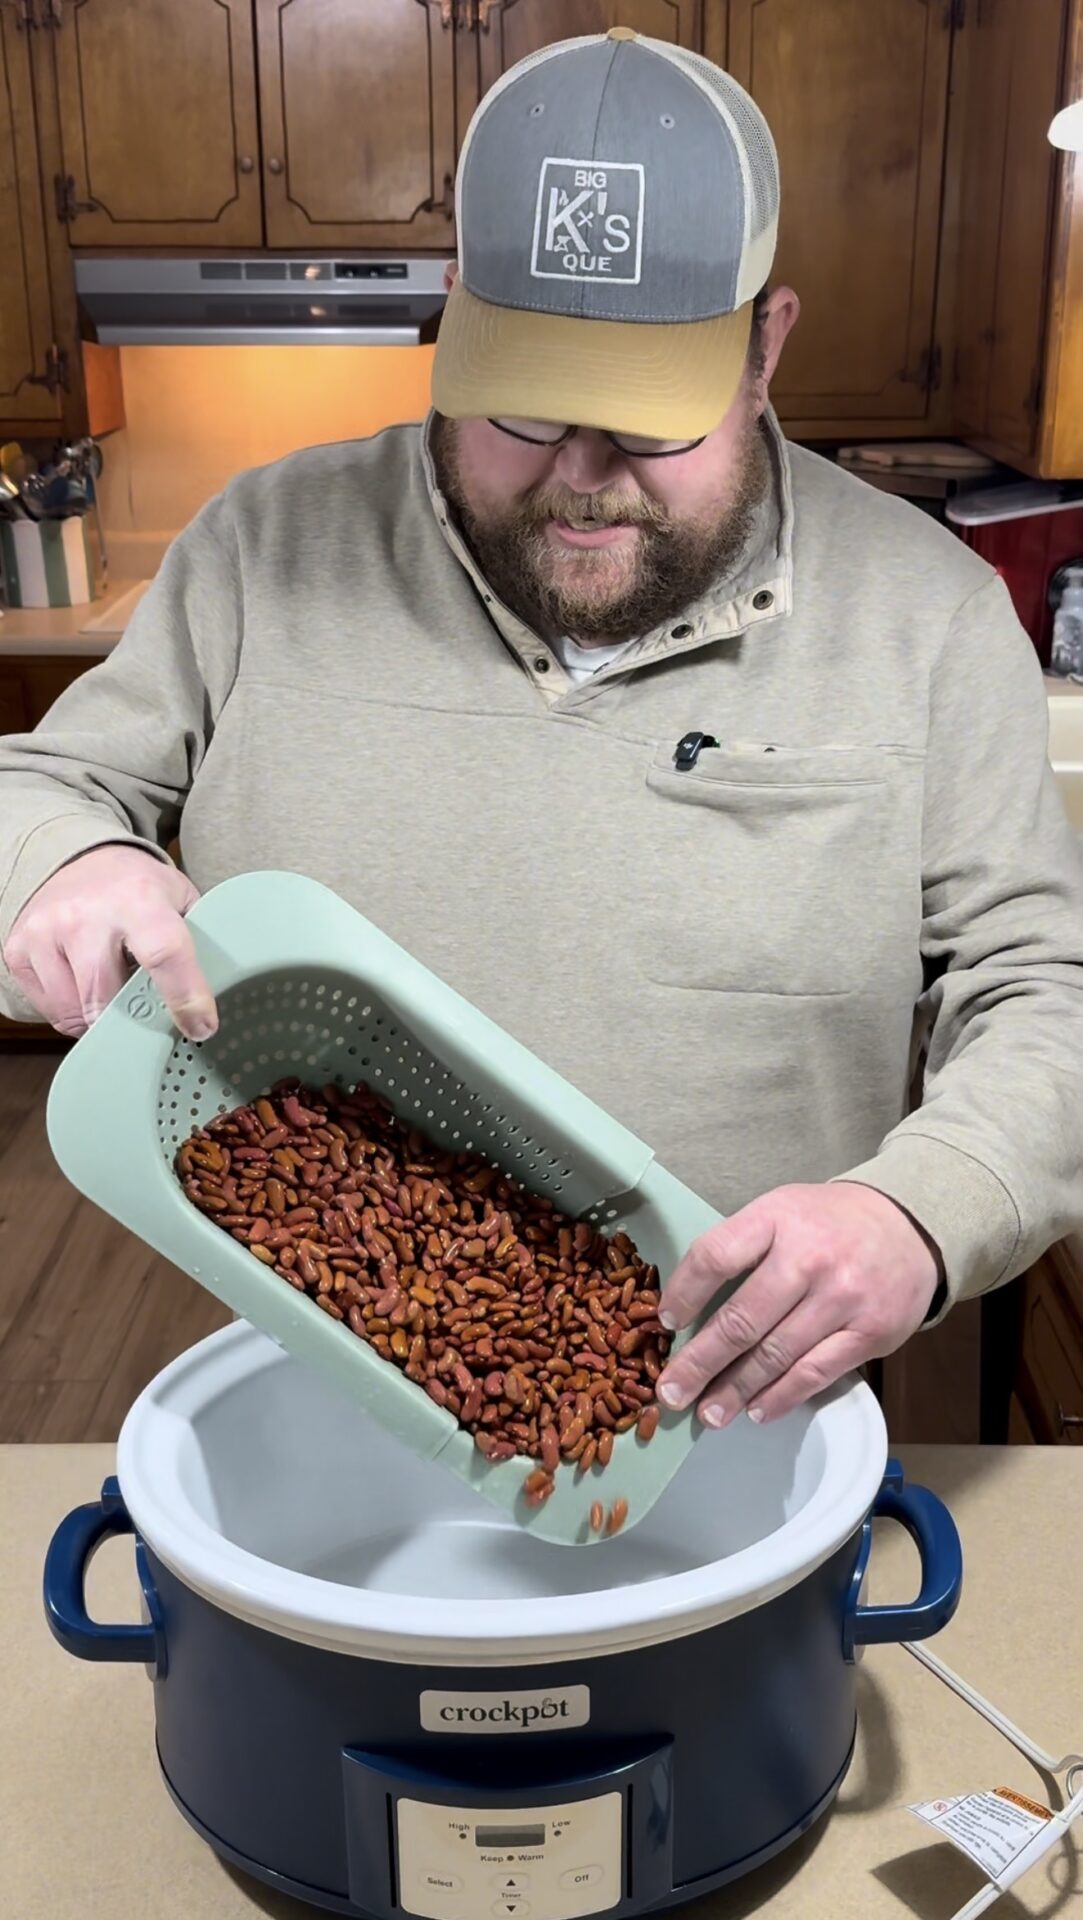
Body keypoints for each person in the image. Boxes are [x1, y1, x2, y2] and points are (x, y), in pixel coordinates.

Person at [3, 30, 1082, 1435]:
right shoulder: (261, 549)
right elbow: (46, 782)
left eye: (646, 420)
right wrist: (61, 866)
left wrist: (919, 1214)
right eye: (524, 400)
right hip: (311, 1370)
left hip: (737, 1403)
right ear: (457, 315)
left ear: (766, 347)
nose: (581, 478)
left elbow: (1046, 988)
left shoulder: (929, 614)